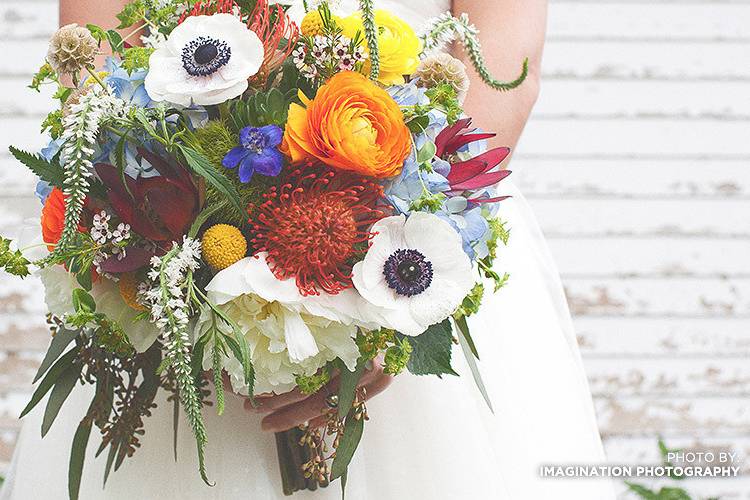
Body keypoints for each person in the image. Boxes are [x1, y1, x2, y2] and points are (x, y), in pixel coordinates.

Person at [1, 0, 616, 498]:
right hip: (187, 227)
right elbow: (96, 52)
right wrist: (150, 227)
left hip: (406, 192)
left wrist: (400, 284)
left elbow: (502, 65)